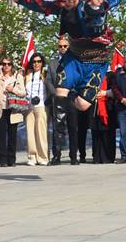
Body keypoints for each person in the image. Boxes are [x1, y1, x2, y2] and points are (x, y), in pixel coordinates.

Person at [1, 0, 122, 110]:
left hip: (96, 61)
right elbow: (41, 6)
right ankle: (63, 121)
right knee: (60, 94)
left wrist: (100, 1)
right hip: (75, 58)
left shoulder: (89, 5)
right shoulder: (62, 8)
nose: (66, 3)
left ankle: (76, 93)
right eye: (63, 0)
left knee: (82, 105)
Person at [0, 58, 26, 167]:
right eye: (4, 64)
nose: (6, 66)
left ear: (12, 65)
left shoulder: (17, 76)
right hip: (0, 108)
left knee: (12, 134)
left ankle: (11, 159)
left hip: (13, 108)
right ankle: (2, 160)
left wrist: (12, 89)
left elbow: (23, 93)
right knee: (0, 135)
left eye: (9, 64)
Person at [24, 53, 53, 166]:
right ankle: (32, 157)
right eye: (34, 61)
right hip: (29, 106)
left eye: (39, 61)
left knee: (41, 133)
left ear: (42, 63)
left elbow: (51, 88)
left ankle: (43, 157)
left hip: (42, 105)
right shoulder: (27, 75)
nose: (36, 63)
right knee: (30, 133)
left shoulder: (46, 74)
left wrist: (45, 79)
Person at [47, 36, 72, 165]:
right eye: (60, 46)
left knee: (73, 127)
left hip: (71, 98)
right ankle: (56, 155)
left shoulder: (74, 61)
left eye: (65, 46)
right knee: (57, 129)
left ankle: (74, 156)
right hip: (56, 99)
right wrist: (56, 93)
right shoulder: (52, 63)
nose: (62, 48)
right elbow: (48, 80)